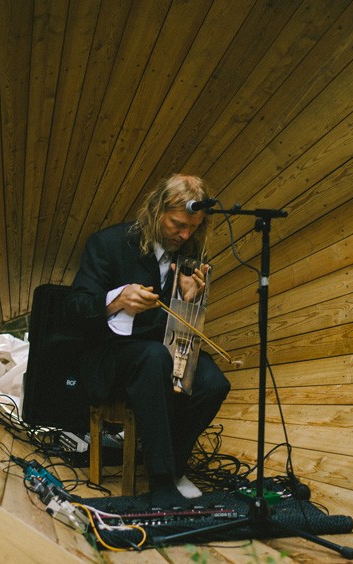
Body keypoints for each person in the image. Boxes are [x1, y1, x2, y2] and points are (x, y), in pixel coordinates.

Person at [64, 174, 231, 508]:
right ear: (156, 211)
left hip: (162, 354)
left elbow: (179, 328)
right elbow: (75, 309)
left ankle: (175, 466)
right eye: (177, 225)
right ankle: (161, 483)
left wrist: (188, 300)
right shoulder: (108, 243)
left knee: (214, 383)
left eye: (193, 227)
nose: (185, 235)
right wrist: (117, 300)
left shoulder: (190, 251)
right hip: (111, 357)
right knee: (154, 358)